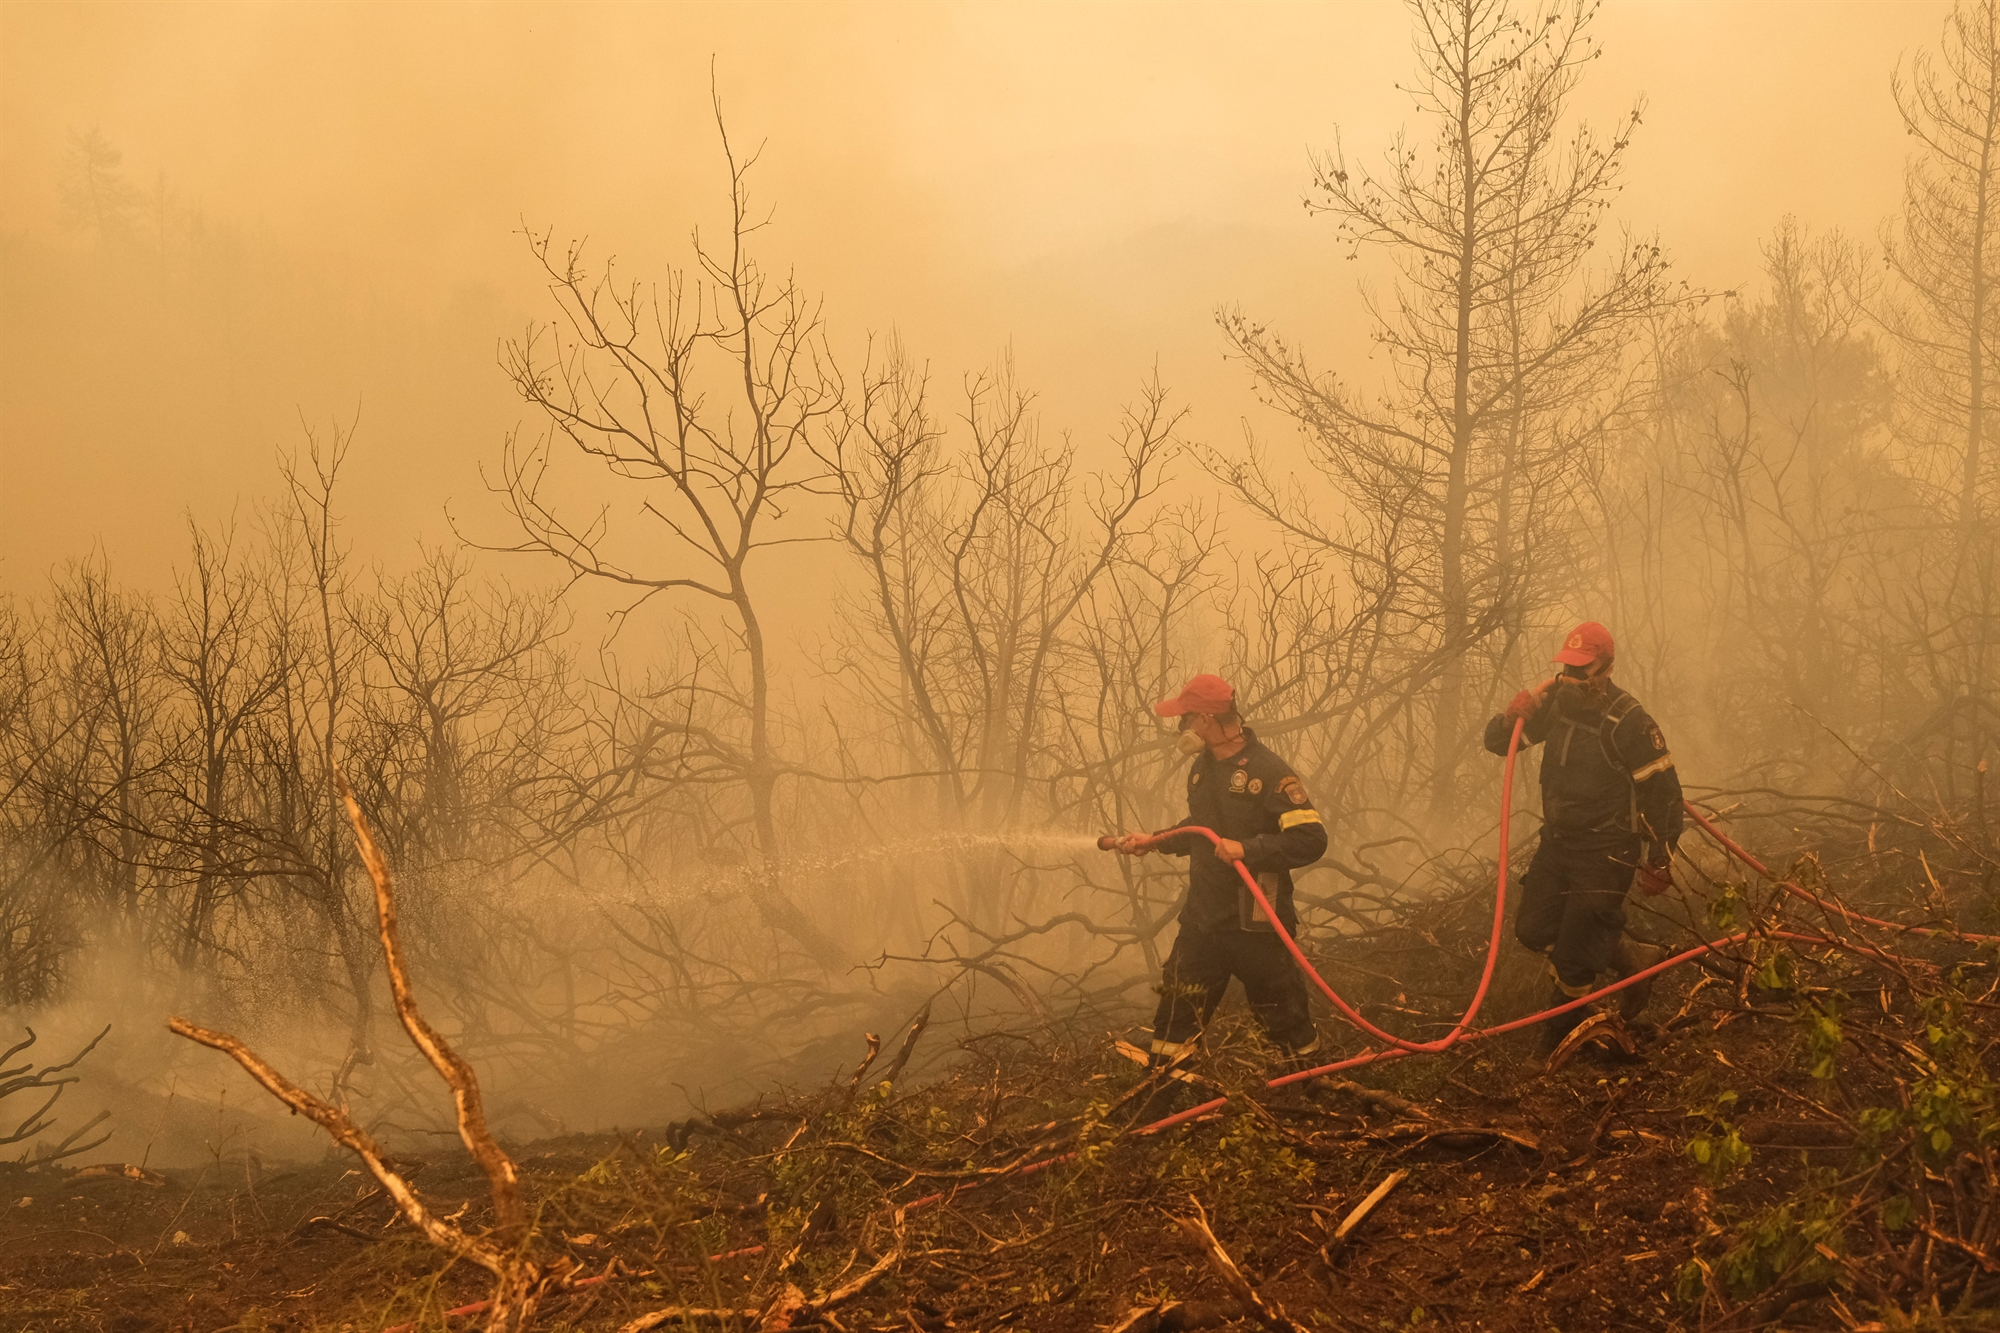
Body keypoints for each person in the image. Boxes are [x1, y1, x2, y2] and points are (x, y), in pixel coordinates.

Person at [1111, 673, 1329, 1069]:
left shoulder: (1269, 773)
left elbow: (1312, 839)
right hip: (1203, 924)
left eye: (1184, 718)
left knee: (1286, 1027)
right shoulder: (1202, 768)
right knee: (1173, 1026)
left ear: (1205, 720)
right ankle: (1162, 1100)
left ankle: (1309, 1090)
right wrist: (1154, 840)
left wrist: (1249, 849)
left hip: (1256, 925)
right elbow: (1201, 829)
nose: (1179, 728)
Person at [1483, 621, 1680, 1045]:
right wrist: (1509, 718)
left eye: (1581, 668)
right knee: (1532, 930)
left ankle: (1555, 1043)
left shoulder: (1630, 721)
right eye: (1567, 667)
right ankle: (1632, 960)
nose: (1571, 678)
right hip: (1558, 844)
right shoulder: (1555, 706)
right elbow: (1501, 743)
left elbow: (1664, 795)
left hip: (1608, 850)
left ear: (1606, 667)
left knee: (1574, 955)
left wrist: (1660, 858)